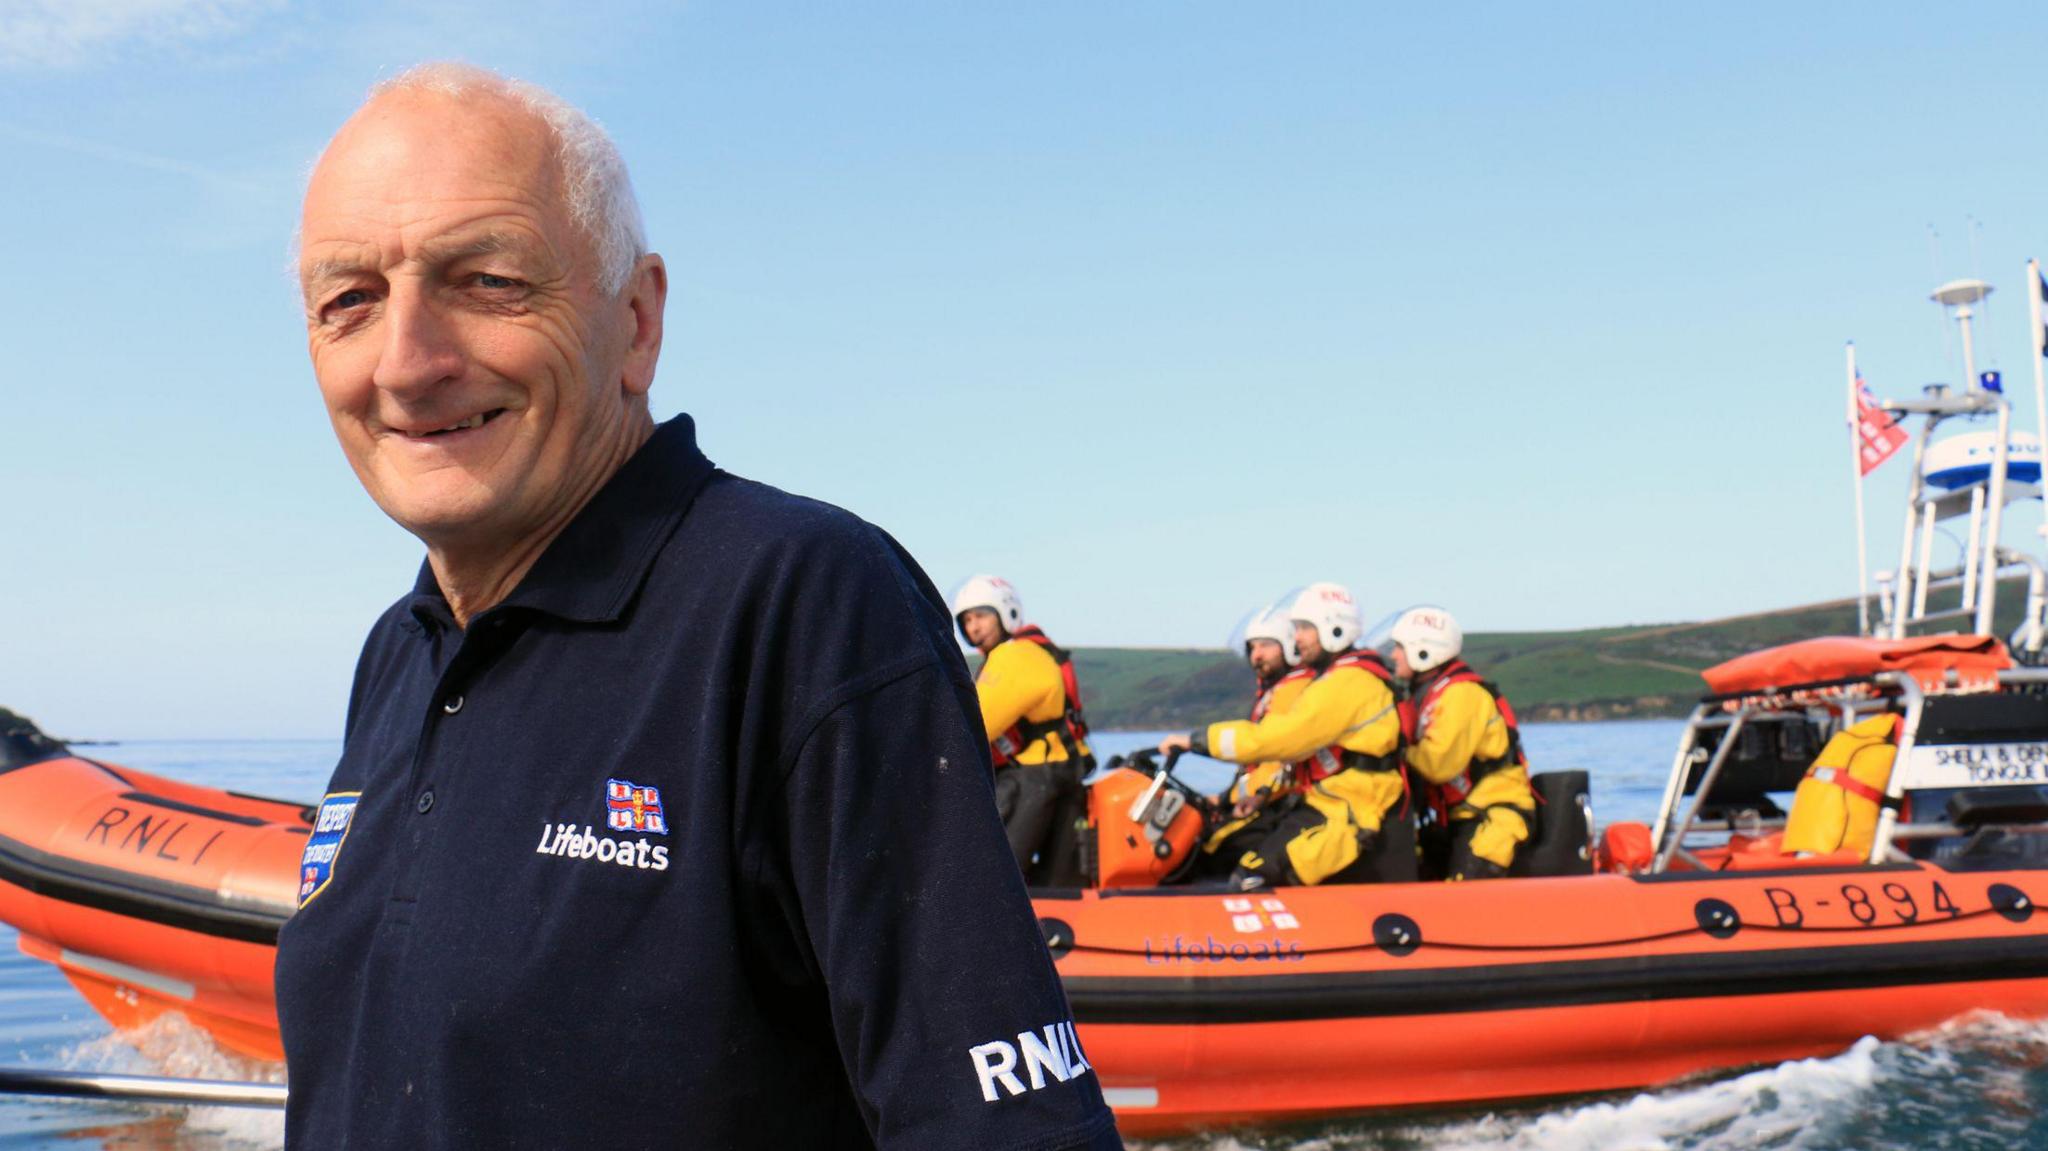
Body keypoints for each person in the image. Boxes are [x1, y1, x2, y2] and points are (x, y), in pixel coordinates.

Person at [273, 64, 1120, 1151]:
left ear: (635, 322)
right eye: (348, 300)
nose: (405, 362)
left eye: (484, 281)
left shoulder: (802, 603)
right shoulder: (396, 654)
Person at [1159, 582, 1414, 890]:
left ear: (1334, 628)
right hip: (1331, 800)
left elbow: (1279, 739)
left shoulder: (1348, 683)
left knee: (1252, 875)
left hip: (1350, 809)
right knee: (1247, 861)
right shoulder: (1340, 679)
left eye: (1305, 627)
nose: (1297, 637)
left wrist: (1198, 741)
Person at [953, 575, 1093, 886]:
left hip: (1036, 777)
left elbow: (974, 726)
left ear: (1006, 612)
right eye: (966, 620)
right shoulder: (1037, 651)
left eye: (981, 616)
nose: (973, 628)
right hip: (1067, 771)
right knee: (1059, 874)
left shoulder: (1013, 656)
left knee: (997, 869)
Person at [1390, 606, 1537, 880]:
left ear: (1424, 650)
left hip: (1495, 818)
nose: (1393, 655)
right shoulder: (1426, 695)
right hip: (1457, 819)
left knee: (1463, 891)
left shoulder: (1461, 694)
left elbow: (1438, 764)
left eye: (1399, 647)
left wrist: (1395, 749)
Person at [1193, 607, 1315, 878]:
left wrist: (1230, 798)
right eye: (1252, 647)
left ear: (1289, 646)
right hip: (1271, 797)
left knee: (1216, 849)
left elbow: (1276, 758)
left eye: (1266, 645)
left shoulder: (1293, 690)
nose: (1256, 655)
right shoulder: (1278, 689)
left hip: (1286, 803)